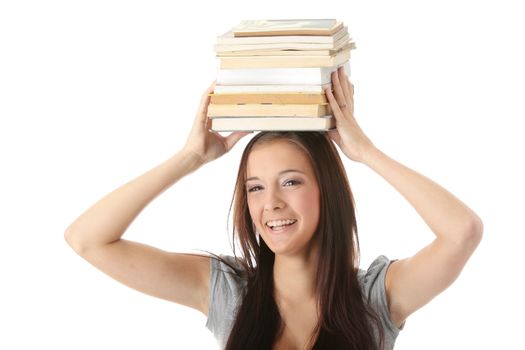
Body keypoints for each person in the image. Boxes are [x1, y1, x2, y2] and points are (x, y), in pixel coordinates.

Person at [64, 67, 483, 350]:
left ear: (327, 190)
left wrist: (366, 152)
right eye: (255, 188)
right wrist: (190, 157)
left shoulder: (376, 298)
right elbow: (87, 240)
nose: (271, 204)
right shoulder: (227, 293)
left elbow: (462, 231)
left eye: (291, 182)